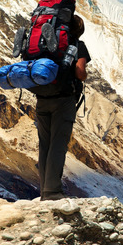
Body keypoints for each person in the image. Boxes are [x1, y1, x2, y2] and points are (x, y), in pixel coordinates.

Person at [35, 14, 91, 201]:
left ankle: (45, 191)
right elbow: (80, 72)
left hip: (42, 97)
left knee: (45, 144)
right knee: (58, 145)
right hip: (64, 100)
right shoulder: (78, 45)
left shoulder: (48, 43)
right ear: (80, 31)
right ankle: (52, 192)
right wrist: (82, 76)